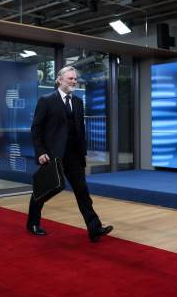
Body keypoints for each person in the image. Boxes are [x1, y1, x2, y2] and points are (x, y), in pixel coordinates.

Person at [27, 66, 113, 242]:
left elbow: (79, 129)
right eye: (70, 79)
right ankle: (32, 223)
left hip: (74, 155)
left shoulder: (79, 102)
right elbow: (36, 128)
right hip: (53, 155)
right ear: (60, 80)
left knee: (83, 192)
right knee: (45, 190)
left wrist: (83, 152)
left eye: (75, 79)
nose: (74, 81)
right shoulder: (46, 100)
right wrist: (41, 151)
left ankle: (94, 228)